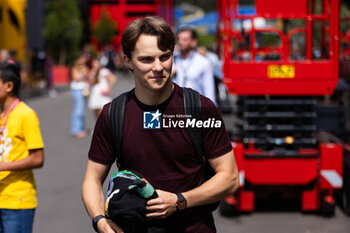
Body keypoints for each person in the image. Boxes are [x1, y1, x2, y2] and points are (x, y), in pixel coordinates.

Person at [82, 16, 239, 233]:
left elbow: (230, 178)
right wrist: (100, 221)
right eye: (146, 59)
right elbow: (92, 179)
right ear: (127, 61)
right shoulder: (113, 114)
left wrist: (180, 201)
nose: (158, 67)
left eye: (164, 57)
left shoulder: (200, 109)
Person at [0, 61, 44, 233]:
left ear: (9, 86)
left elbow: (38, 158)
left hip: (17, 200)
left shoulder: (26, 114)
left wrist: (3, 166)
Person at [173, 27, 217, 105]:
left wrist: (211, 111)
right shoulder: (171, 59)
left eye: (184, 40)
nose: (180, 42)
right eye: (179, 39)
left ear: (193, 42)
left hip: (195, 108)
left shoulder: (203, 62)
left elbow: (209, 90)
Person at [70, 54, 89, 138]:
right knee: (78, 110)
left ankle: (80, 128)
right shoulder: (75, 68)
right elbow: (76, 78)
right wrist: (82, 73)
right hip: (77, 89)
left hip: (83, 89)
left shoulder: (85, 67)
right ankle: (76, 130)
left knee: (81, 109)